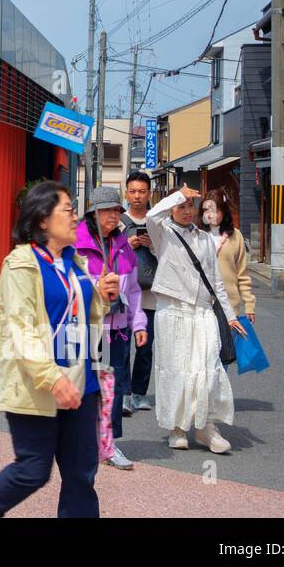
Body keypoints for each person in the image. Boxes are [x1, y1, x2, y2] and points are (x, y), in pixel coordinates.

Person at [0, 182, 118, 518]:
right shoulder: (20, 263)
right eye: (67, 208)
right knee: (33, 470)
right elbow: (20, 329)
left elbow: (86, 315)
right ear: (42, 220)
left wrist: (100, 296)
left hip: (81, 382)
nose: (75, 216)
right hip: (38, 384)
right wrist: (52, 379)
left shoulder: (75, 261)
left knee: (81, 473)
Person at [148, 184, 247, 454]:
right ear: (172, 207)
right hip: (173, 310)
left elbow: (216, 281)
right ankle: (177, 428)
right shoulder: (163, 234)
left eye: (191, 206)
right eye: (181, 206)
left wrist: (229, 316)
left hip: (203, 311)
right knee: (176, 368)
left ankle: (206, 427)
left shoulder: (205, 239)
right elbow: (152, 215)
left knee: (208, 368)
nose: (188, 210)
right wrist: (179, 194)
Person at [75, 185, 147, 471]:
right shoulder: (76, 245)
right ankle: (79, 441)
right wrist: (97, 286)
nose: (113, 216)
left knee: (113, 388)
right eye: (106, 210)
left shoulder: (123, 247)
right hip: (85, 328)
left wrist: (139, 323)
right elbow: (70, 287)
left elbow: (134, 291)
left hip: (117, 329)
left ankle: (108, 444)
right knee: (84, 386)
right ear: (94, 213)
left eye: (116, 210)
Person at [120, 171, 158, 414]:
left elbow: (171, 255)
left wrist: (151, 244)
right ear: (126, 193)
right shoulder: (118, 221)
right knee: (122, 346)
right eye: (133, 191)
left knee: (146, 346)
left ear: (149, 193)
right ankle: (123, 393)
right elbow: (106, 252)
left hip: (150, 294)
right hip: (124, 294)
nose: (137, 196)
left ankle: (139, 393)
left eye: (142, 191)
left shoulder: (158, 221)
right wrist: (127, 245)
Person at [200, 188, 255, 323]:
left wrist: (249, 305)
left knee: (228, 344)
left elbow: (242, 274)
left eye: (215, 211)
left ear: (224, 212)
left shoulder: (235, 236)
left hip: (229, 307)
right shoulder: (196, 234)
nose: (210, 215)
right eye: (206, 210)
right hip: (200, 307)